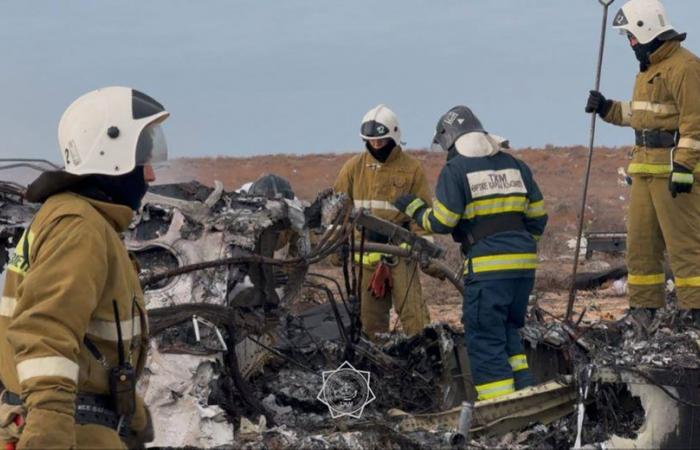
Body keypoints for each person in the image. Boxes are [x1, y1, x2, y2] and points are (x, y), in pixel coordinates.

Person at [0, 86, 169, 449]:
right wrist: (48, 432)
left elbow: (93, 349)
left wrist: (133, 415)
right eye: (144, 159)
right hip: (72, 433)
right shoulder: (79, 226)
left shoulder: (84, 221)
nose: (151, 175)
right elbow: (45, 330)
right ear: (112, 154)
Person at [394, 106, 548, 400]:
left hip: (489, 270)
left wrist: (414, 208)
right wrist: (519, 249)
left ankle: (500, 408)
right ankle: (527, 394)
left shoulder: (456, 170)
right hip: (524, 269)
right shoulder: (516, 166)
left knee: (485, 338)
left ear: (450, 140)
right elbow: (538, 217)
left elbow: (443, 221)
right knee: (507, 333)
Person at [585, 0, 700, 327]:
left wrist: (685, 166)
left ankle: (695, 313)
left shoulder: (686, 67)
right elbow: (642, 115)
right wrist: (607, 108)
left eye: (631, 37)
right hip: (645, 171)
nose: (630, 44)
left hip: (675, 175)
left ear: (646, 30)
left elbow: (696, 122)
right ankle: (643, 312)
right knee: (641, 246)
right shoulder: (650, 69)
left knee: (685, 247)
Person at [333, 104, 432, 339]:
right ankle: (377, 370)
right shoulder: (353, 168)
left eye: (381, 141)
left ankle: (424, 362)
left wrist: (425, 250)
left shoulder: (411, 169)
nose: (376, 146)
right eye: (371, 141)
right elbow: (338, 211)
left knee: (414, 317)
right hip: (365, 258)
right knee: (369, 324)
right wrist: (336, 245)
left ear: (393, 137)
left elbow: (422, 215)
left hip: (401, 255)